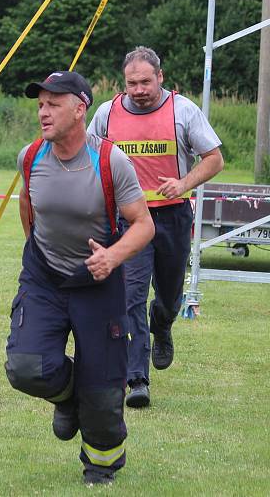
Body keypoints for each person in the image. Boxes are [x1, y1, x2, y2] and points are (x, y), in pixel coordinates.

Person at [5, 71, 154, 485]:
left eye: (53, 103)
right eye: (40, 104)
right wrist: (40, 255)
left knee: (104, 390)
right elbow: (27, 204)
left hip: (98, 282)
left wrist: (113, 256)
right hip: (45, 279)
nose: (43, 112)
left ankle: (101, 467)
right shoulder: (30, 156)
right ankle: (68, 397)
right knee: (26, 367)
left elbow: (143, 225)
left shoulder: (110, 161)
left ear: (79, 108)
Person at [87, 46, 224, 409]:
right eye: (132, 83)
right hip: (130, 220)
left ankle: (162, 324)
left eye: (146, 81)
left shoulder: (183, 111)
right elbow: (89, 157)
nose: (139, 89)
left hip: (172, 215)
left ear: (160, 77)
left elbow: (214, 159)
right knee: (130, 297)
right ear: (124, 83)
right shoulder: (106, 114)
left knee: (169, 295)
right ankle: (137, 380)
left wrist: (184, 183)